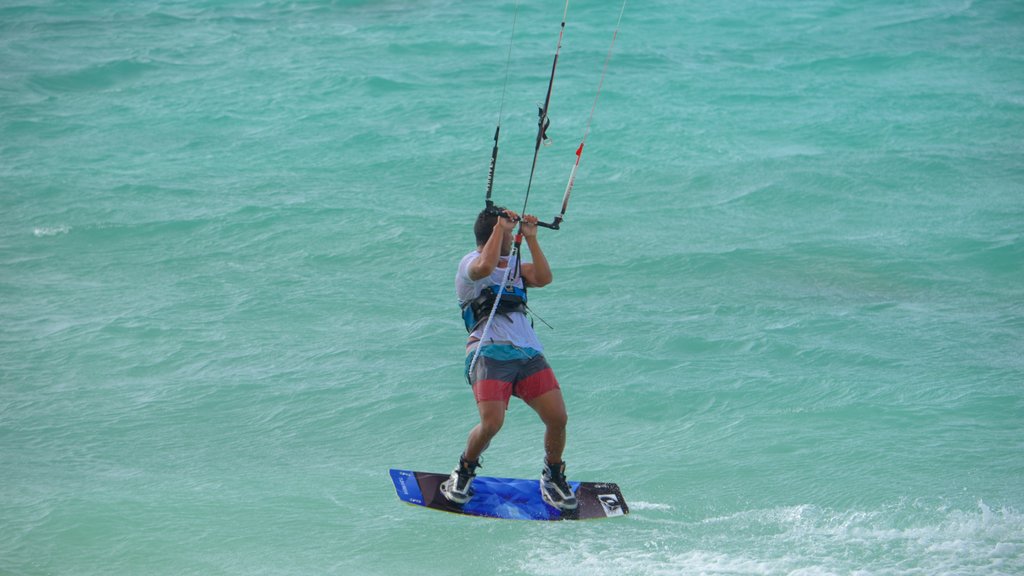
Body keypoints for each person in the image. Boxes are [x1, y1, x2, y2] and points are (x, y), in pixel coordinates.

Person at [440, 206, 577, 510]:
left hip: (527, 352)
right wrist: (501, 229)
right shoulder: (470, 264)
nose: (512, 234)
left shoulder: (514, 266)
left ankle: (553, 475)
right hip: (489, 350)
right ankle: (463, 470)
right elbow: (485, 268)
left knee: (558, 417)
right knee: (492, 423)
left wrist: (530, 238)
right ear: (494, 234)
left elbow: (543, 277)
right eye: (507, 231)